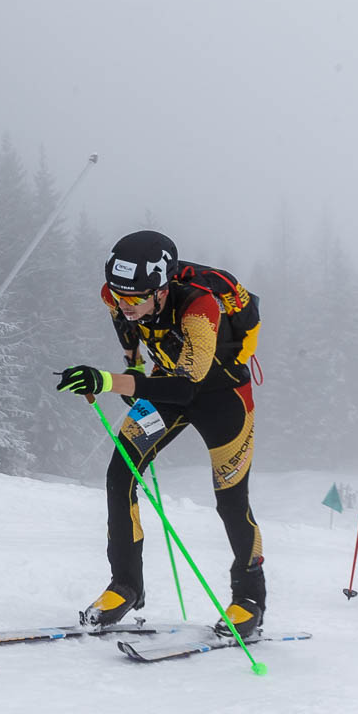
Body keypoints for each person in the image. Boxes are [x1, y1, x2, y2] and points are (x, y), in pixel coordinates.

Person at [54, 231, 266, 640]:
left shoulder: (200, 307)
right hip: (163, 389)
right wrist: (130, 370)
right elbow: (128, 334)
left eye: (135, 299)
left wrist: (107, 381)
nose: (125, 306)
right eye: (118, 297)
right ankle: (126, 586)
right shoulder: (118, 297)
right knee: (120, 476)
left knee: (231, 500)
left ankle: (250, 599)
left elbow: (187, 387)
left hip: (222, 398)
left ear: (162, 288)